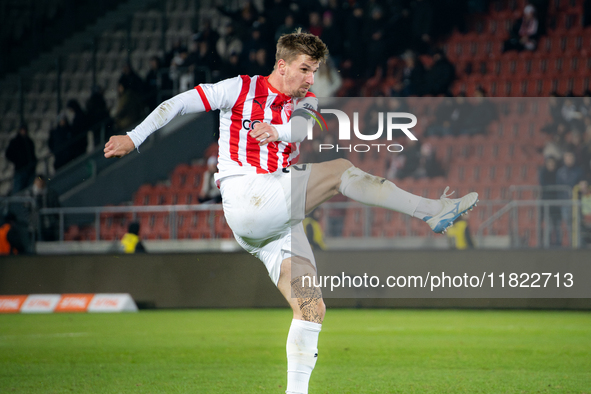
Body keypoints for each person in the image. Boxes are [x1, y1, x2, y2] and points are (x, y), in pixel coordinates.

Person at [104, 30, 478, 394]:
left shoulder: (306, 101)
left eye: (314, 70)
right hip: (250, 195)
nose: (310, 78)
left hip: (271, 226)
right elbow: (178, 103)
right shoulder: (238, 89)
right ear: (281, 65)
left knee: (312, 307)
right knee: (340, 170)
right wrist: (133, 137)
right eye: (304, 69)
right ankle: (431, 211)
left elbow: (298, 131)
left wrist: (277, 132)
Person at [5, 124, 37, 194]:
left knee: (29, 190)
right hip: (20, 170)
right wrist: (18, 161)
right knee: (18, 190)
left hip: (30, 169)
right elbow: (8, 154)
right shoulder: (15, 142)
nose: (24, 131)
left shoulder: (29, 141)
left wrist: (33, 164)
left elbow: (32, 154)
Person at [27, 175, 60, 242]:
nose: (40, 183)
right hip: (34, 225)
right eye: (38, 181)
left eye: (41, 181)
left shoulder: (51, 193)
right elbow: (26, 209)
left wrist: (54, 219)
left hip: (48, 224)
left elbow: (56, 206)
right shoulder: (29, 194)